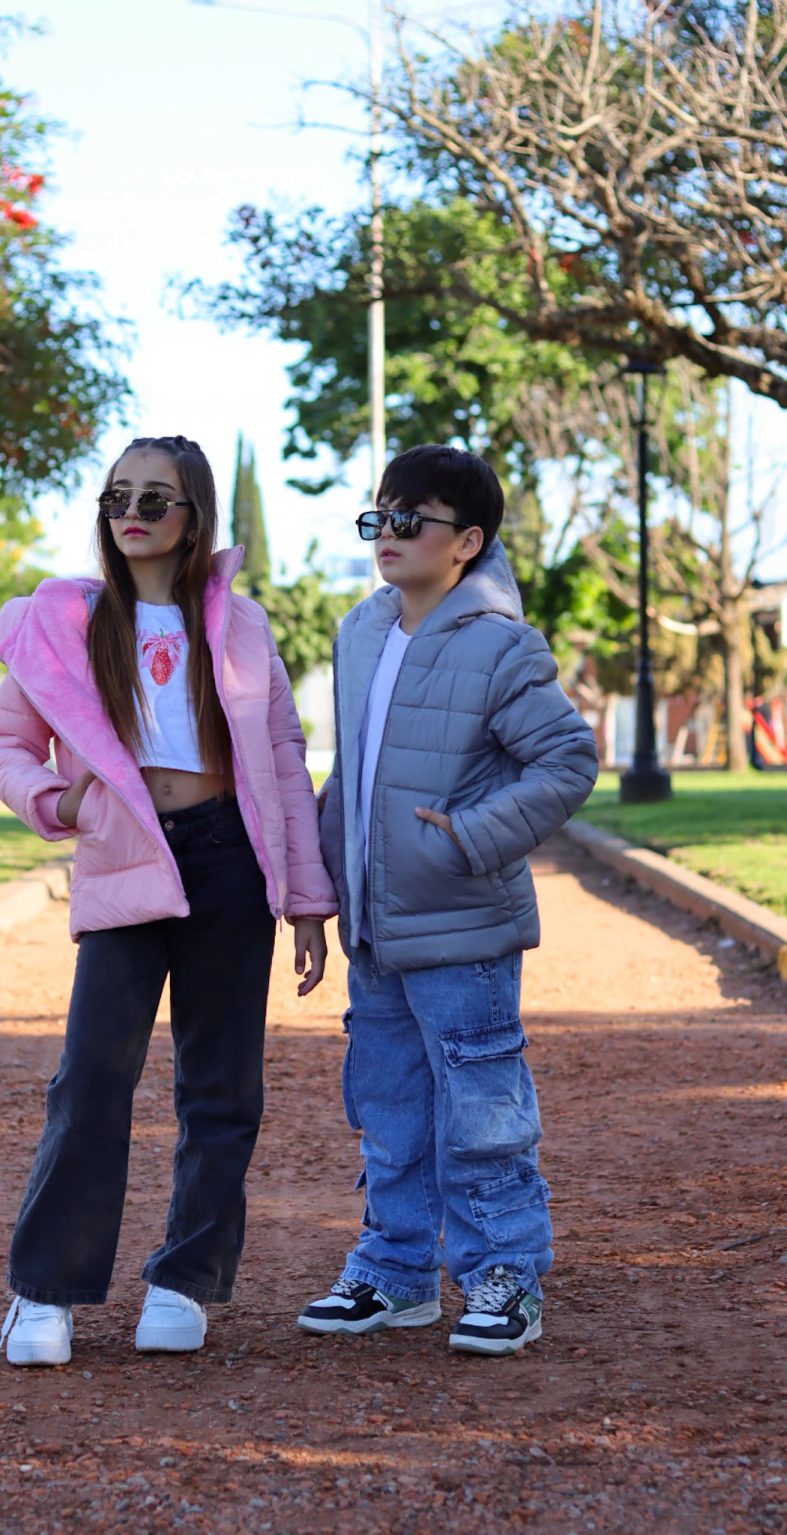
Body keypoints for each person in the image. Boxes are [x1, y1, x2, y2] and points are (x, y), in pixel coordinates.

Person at [0, 434, 336, 1367]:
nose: (131, 512)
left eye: (154, 498)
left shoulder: (243, 624)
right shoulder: (63, 620)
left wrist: (304, 899)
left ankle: (185, 1280)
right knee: (91, 1077)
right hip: (126, 858)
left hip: (228, 862)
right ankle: (44, 1289)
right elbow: (1, 746)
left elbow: (284, 757)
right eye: (117, 496)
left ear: (193, 516)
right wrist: (60, 802)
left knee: (223, 1087)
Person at [298, 444, 598, 1356]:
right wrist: (323, 889)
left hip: (463, 927)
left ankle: (504, 1272)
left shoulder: (503, 645)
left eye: (409, 519)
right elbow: (352, 775)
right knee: (387, 1102)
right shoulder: (359, 633)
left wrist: (469, 837)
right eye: (378, 516)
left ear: (467, 541)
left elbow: (567, 761)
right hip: (375, 928)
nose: (386, 533)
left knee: (481, 1108)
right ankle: (395, 1271)